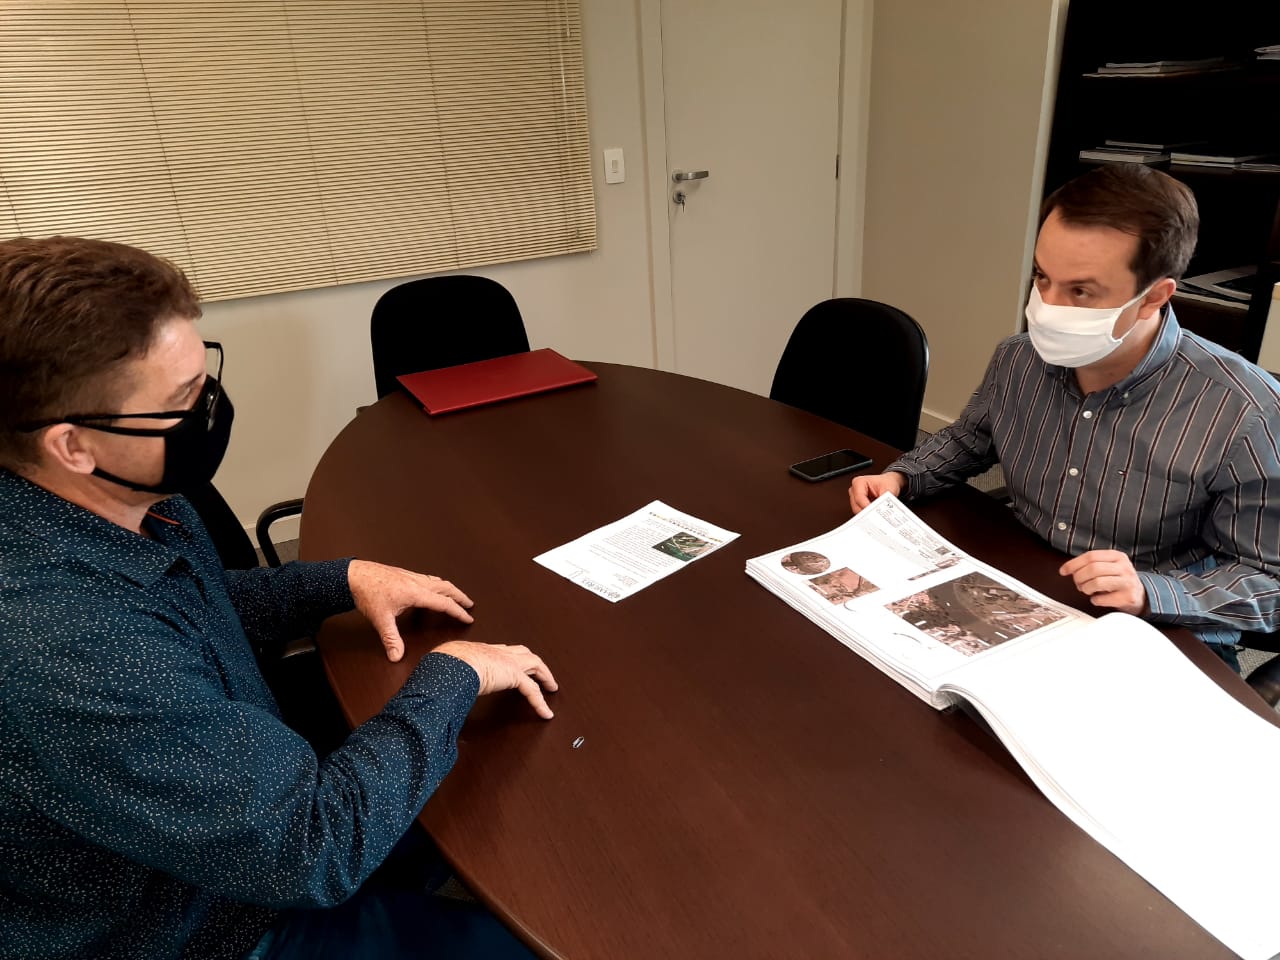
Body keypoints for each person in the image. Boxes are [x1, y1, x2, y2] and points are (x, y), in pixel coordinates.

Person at [0, 236, 558, 960]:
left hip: (244, 802)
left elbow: (187, 605)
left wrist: (336, 580)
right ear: (72, 446)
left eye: (206, 376)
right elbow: (313, 849)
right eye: (182, 401)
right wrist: (451, 677)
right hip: (213, 925)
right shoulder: (72, 647)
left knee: (488, 799)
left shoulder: (118, 501)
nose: (210, 408)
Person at [849, 164, 1280, 667]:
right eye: (1041, 277)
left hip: (1154, 636)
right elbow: (971, 438)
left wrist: (1152, 592)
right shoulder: (1018, 357)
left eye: (1080, 292)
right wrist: (904, 476)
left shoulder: (1245, 412)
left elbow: (1269, 582)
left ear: (1155, 297)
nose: (1045, 308)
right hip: (1022, 590)